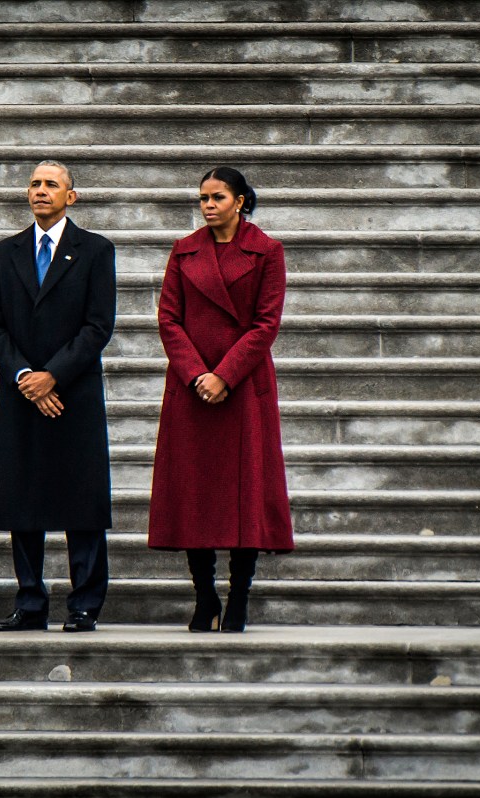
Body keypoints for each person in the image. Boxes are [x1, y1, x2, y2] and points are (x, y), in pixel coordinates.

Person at [147, 167, 294, 633]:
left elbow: (265, 325)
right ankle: (205, 594)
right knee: (195, 493)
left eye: (217, 197)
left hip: (243, 387)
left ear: (240, 201)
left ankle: (239, 596)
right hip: (192, 390)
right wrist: (197, 375)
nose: (208, 205)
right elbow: (169, 319)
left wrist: (224, 375)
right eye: (203, 198)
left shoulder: (267, 251)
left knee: (244, 494)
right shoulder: (184, 250)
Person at [0, 161, 116, 633]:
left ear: (70, 197)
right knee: (24, 500)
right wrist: (25, 376)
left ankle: (84, 603)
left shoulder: (96, 250)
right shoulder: (7, 250)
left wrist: (53, 376)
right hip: (22, 395)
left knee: (82, 501)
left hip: (73, 395)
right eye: (35, 184)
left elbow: (99, 324)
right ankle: (30, 602)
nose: (41, 191)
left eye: (51, 185)